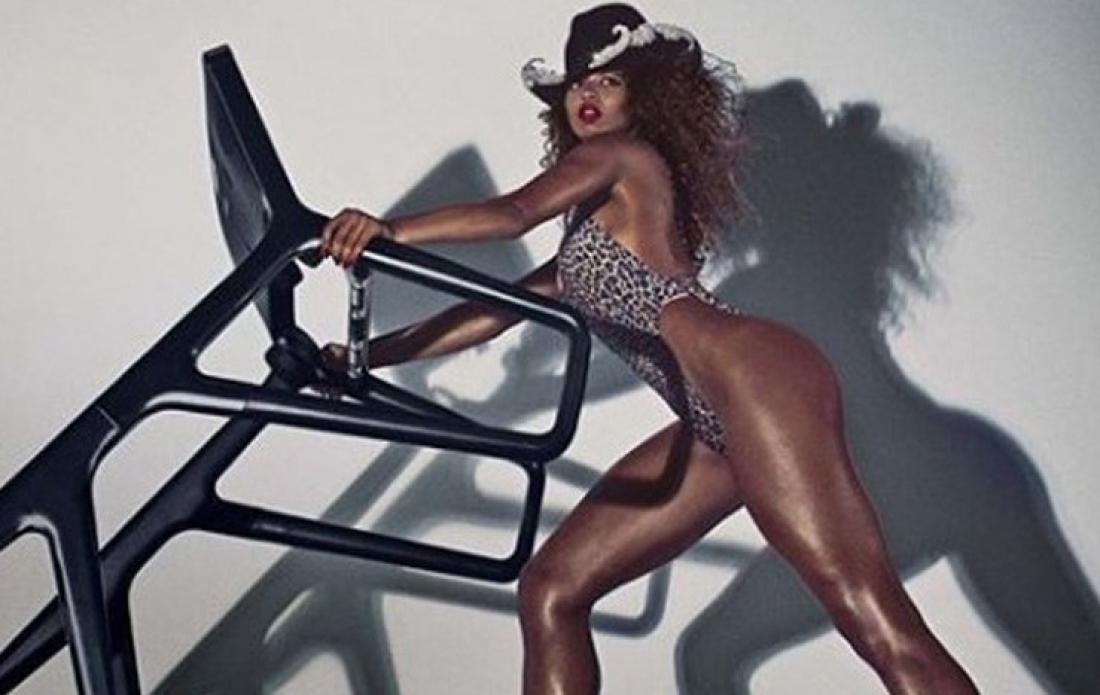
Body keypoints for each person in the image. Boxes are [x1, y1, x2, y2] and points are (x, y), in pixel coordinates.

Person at [319, 4, 979, 693]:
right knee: (552, 589)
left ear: (645, 96)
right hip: (709, 424)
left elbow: (511, 214)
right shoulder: (592, 234)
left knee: (873, 619)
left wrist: (387, 229)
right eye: (578, 85)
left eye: (609, 81)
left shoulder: (622, 157)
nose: (588, 95)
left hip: (758, 380)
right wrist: (360, 355)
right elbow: (491, 315)